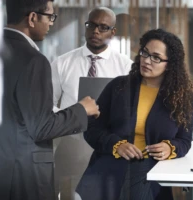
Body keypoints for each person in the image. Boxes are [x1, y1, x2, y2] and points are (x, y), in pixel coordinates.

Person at [0, 0, 100, 200]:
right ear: (32, 18)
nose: (51, 23)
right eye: (50, 16)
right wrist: (82, 110)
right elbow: (41, 127)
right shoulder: (34, 60)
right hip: (24, 176)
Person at [76, 29, 193, 200]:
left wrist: (171, 148)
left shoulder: (182, 98)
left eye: (156, 57)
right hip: (111, 165)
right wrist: (116, 145)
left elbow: (184, 140)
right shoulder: (118, 87)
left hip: (152, 169)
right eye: (144, 53)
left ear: (169, 64)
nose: (146, 61)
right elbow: (92, 128)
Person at [51, 7, 133, 200]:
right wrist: (70, 117)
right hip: (70, 141)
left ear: (113, 32)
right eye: (92, 25)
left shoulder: (126, 67)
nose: (96, 31)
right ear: (85, 26)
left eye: (103, 27)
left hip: (108, 145)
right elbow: (48, 104)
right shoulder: (62, 63)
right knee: (67, 194)